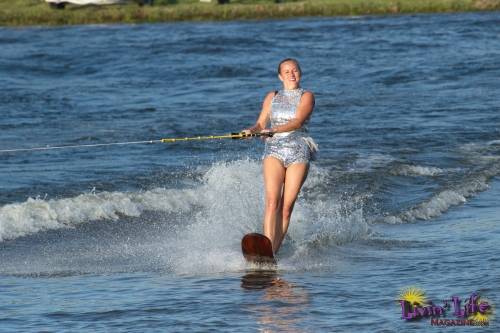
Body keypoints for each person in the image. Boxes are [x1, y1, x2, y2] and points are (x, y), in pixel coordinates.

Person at [243, 58, 318, 254]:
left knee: (286, 208)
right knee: (272, 202)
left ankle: (272, 252)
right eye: (287, 71)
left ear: (300, 73)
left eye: (295, 70)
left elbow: (298, 122)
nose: (292, 74)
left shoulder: (307, 96)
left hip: (298, 151)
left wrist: (273, 130)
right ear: (280, 76)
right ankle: (265, 246)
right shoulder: (272, 96)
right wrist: (251, 131)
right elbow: (260, 124)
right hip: (274, 150)